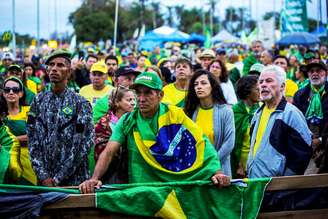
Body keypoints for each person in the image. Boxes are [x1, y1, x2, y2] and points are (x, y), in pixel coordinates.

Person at [79, 72, 230, 193]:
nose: (141, 99)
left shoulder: (175, 115)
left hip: (174, 185)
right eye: (138, 93)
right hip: (142, 187)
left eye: (148, 93)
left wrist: (217, 172)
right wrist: (94, 178)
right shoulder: (127, 120)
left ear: (160, 95)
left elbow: (200, 142)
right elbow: (109, 151)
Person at [27, 49, 94, 186]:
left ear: (69, 72)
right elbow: (32, 138)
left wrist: (58, 178)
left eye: (60, 65)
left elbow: (84, 144)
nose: (54, 69)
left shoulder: (80, 103)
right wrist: (43, 175)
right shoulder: (38, 101)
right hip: (44, 181)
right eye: (51, 65)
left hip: (73, 181)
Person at [247, 65, 312, 178]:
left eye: (269, 81)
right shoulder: (257, 114)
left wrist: (284, 182)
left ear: (282, 86)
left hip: (278, 188)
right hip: (256, 182)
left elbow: (303, 153)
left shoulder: (291, 114)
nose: (263, 85)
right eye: (261, 82)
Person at [184, 70, 235, 176]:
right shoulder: (190, 112)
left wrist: (211, 164)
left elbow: (229, 143)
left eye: (203, 83)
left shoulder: (226, 111)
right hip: (196, 170)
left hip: (219, 170)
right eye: (196, 84)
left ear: (213, 86)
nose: (198, 87)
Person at [94, 87, 135, 183]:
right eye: (129, 100)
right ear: (117, 102)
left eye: (134, 100)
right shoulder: (104, 124)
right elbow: (101, 151)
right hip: (111, 174)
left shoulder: (136, 119)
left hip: (132, 171)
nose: (133, 103)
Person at [293, 62, 328, 173]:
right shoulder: (300, 95)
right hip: (305, 145)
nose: (315, 74)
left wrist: (321, 140)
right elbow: (295, 120)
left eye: (319, 71)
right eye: (311, 71)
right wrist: (308, 139)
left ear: (326, 73)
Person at [2, 77, 37, 185]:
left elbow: (34, 135)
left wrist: (9, 141)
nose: (11, 92)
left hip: (27, 161)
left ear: (21, 93)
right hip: (4, 161)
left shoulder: (29, 111)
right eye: (7, 90)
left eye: (15, 90)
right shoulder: (1, 114)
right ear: (3, 93)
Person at [231, 75, 260, 178]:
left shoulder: (261, 110)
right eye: (257, 89)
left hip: (257, 161)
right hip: (237, 163)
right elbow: (232, 141)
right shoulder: (234, 112)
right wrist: (239, 165)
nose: (260, 91)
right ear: (247, 92)